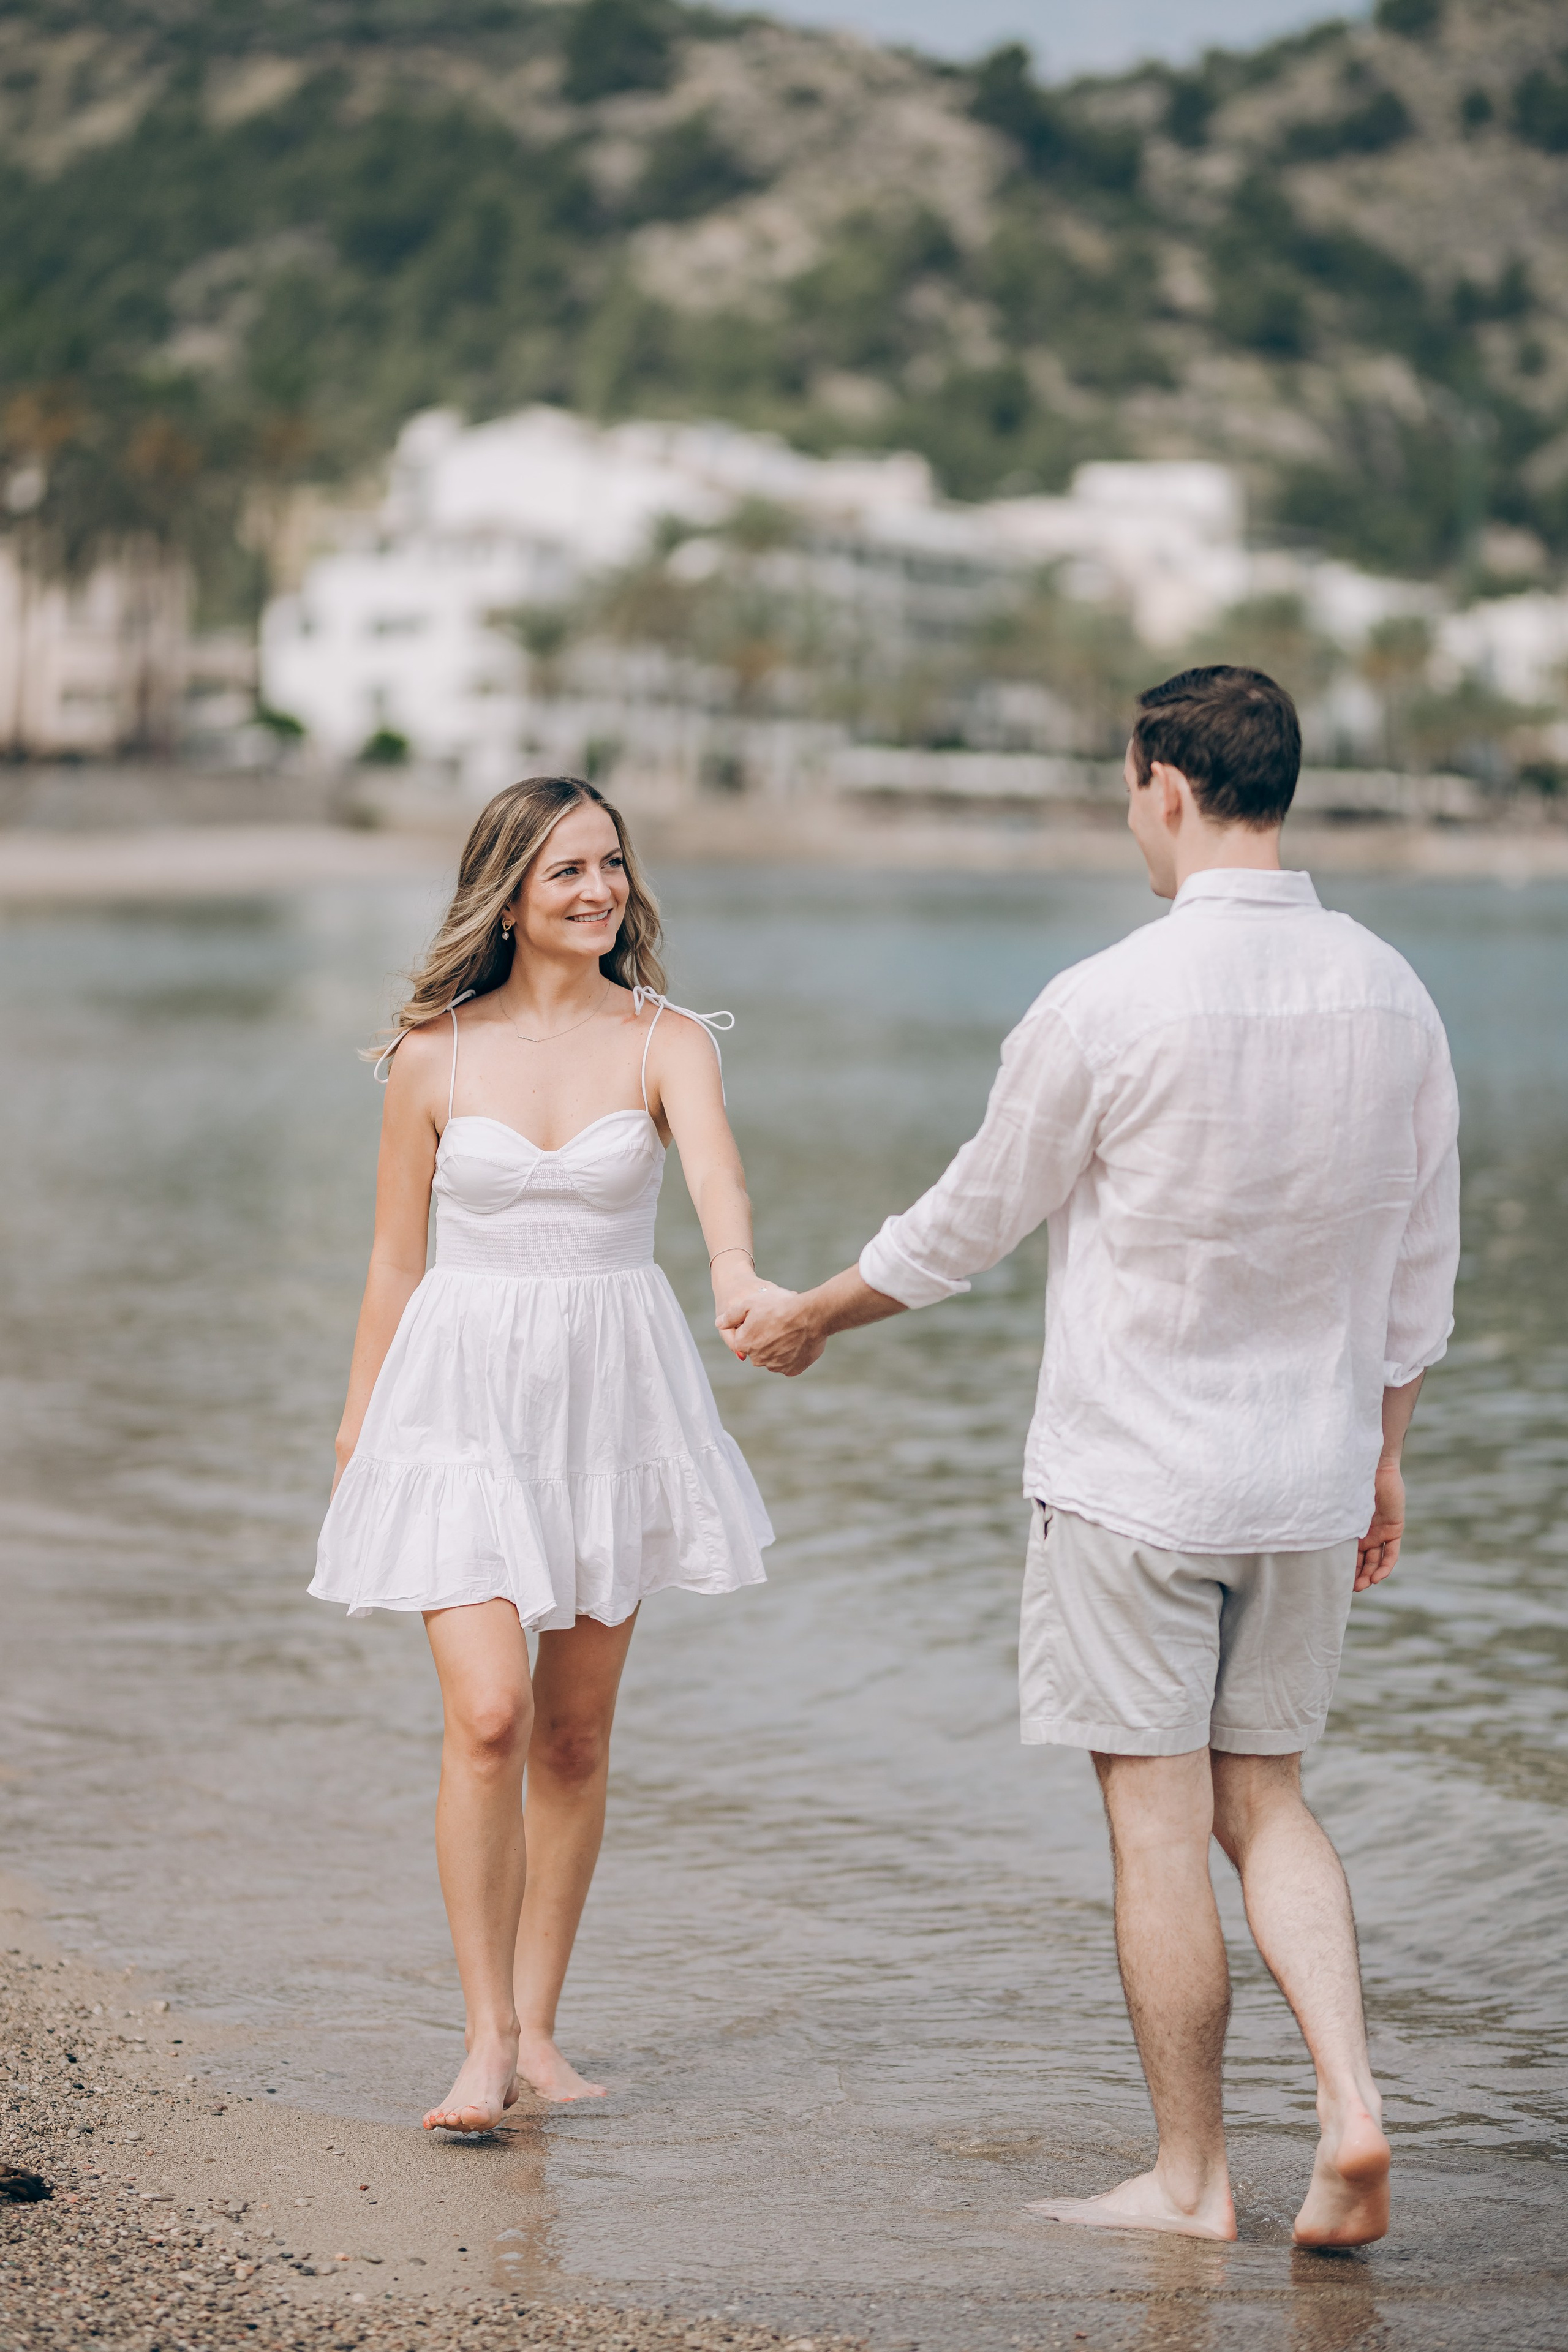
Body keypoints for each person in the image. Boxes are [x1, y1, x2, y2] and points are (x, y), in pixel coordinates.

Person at [720, 666, 1460, 2249]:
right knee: (1271, 1798)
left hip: (1136, 1480)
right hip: (1314, 1480)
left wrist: (814, 1321)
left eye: (1130, 788)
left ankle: (1193, 2181)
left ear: (1171, 785)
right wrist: (1385, 1465)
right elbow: (1422, 1275)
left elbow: (970, 1221)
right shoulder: (1396, 993)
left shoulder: (1111, 996)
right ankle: (1351, 2111)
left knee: (1154, 1822)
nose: (1130, 816)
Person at [314, 774, 774, 2133]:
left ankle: (543, 2032)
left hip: (609, 1401)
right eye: (567, 870)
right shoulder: (430, 1053)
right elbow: (394, 1258)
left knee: (571, 1736)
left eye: (612, 867)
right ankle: (481, 2036)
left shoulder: (667, 1040)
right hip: (455, 1399)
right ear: (506, 889)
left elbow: (719, 1191)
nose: (597, 892)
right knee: (490, 1714)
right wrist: (357, 1427)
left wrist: (742, 1279)